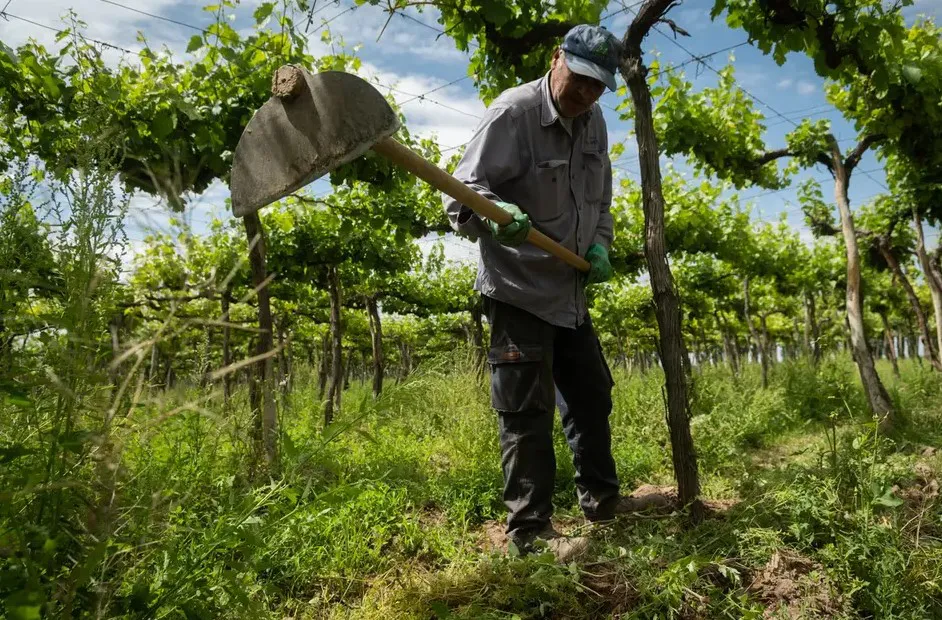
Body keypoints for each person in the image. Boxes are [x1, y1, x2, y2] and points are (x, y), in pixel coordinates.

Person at [443, 24, 632, 559]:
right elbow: (461, 196)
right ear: (556, 59)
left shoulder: (594, 125)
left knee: (592, 395)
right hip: (519, 288)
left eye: (599, 86)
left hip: (570, 296)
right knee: (526, 410)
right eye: (581, 80)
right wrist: (495, 216)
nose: (587, 95)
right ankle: (529, 534)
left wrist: (600, 246)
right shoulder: (514, 114)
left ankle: (601, 500)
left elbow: (602, 204)